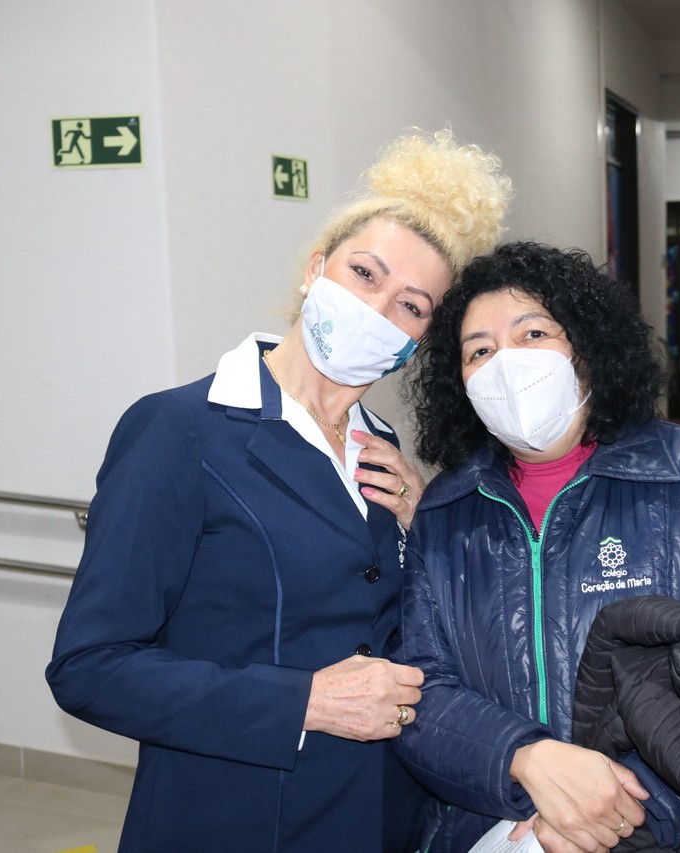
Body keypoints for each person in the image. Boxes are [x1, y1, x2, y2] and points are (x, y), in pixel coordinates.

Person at [46, 129, 512, 853]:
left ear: (422, 340)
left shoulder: (384, 450)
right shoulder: (180, 430)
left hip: (378, 817)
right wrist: (305, 701)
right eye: (365, 274)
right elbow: (90, 667)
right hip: (232, 819)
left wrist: (423, 528)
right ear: (315, 267)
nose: (377, 309)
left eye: (411, 306)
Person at [394, 242, 680, 853]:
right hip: (510, 828)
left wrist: (630, 811)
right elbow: (421, 692)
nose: (506, 363)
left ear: (588, 350)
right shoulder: (446, 512)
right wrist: (522, 757)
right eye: (480, 351)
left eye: (533, 334)